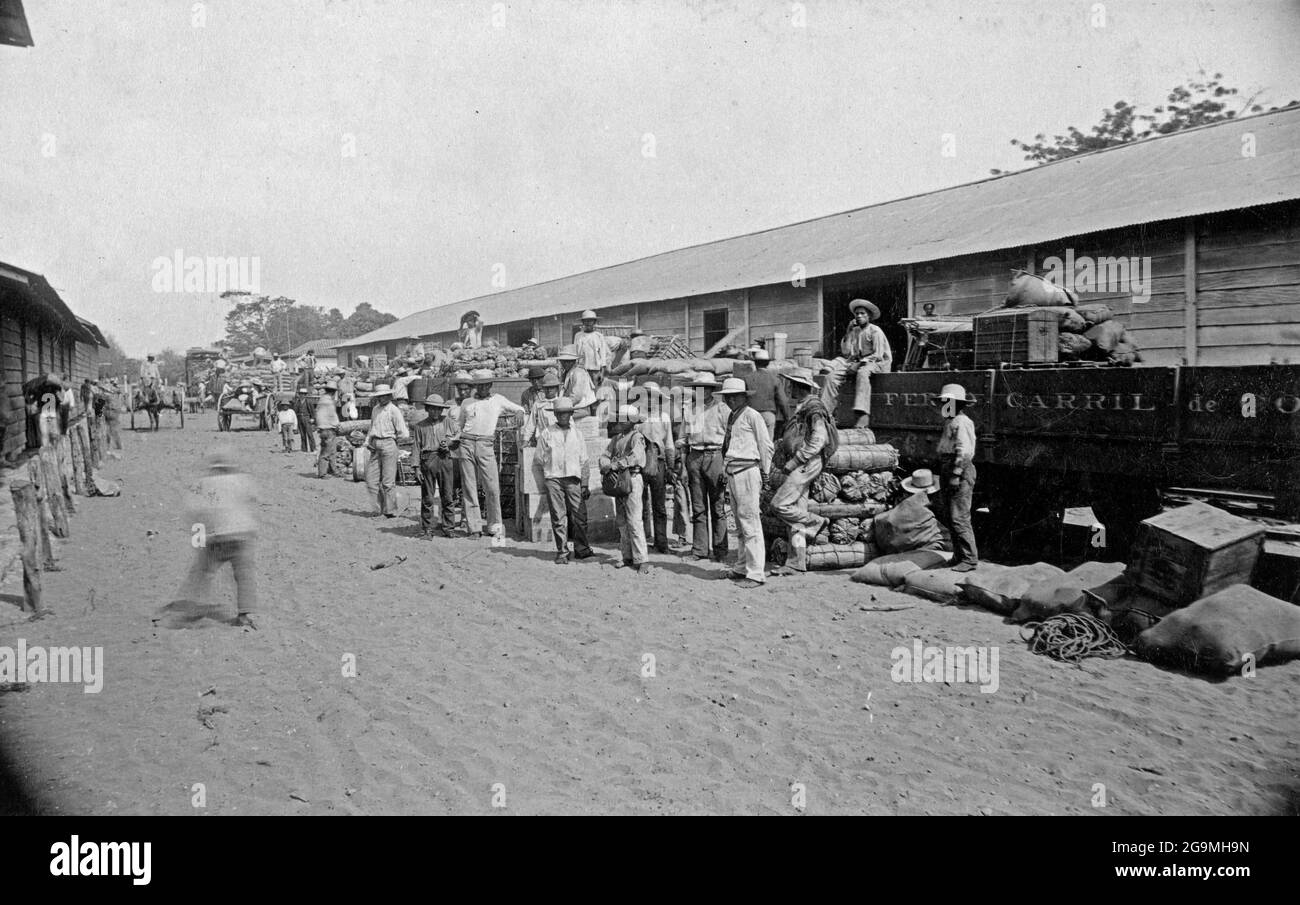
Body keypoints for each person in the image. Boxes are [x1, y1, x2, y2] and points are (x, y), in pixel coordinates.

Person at [171, 446, 258, 629]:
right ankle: (244, 614)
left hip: (216, 536)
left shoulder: (202, 484)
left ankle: (192, 609)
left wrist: (198, 542)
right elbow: (252, 500)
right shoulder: (241, 480)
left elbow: (194, 512)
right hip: (241, 534)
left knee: (201, 573)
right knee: (244, 577)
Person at [769, 367, 838, 573]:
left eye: (791, 384)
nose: (788, 387)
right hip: (804, 462)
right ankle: (796, 563)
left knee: (778, 504)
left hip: (807, 463)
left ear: (799, 386)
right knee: (797, 510)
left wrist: (797, 459)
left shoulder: (814, 408)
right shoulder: (804, 406)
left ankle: (817, 521)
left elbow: (819, 439)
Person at [716, 377, 773, 588]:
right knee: (740, 524)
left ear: (743, 396)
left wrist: (765, 472)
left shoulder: (752, 416)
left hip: (748, 470)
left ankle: (756, 573)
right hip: (733, 471)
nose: (730, 400)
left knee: (750, 522)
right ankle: (742, 567)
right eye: (727, 397)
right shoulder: (732, 417)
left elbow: (765, 445)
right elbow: (728, 447)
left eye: (734, 396)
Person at [456, 369, 525, 539]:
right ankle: (474, 528)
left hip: (486, 444)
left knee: (492, 488)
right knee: (470, 487)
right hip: (466, 443)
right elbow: (460, 425)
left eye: (486, 385)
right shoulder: (467, 402)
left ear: (490, 385)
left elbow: (519, 409)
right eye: (479, 385)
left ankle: (494, 527)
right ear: (475, 386)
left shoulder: (498, 400)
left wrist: (519, 414)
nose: (483, 388)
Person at [536, 397, 594, 564]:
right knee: (558, 516)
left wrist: (585, 483)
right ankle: (562, 552)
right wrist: (551, 473)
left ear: (570, 414)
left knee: (579, 515)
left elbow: (584, 460)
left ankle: (582, 549)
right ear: (555, 414)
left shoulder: (578, 434)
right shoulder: (547, 433)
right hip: (554, 479)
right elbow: (540, 458)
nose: (563, 416)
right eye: (560, 413)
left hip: (574, 479)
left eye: (566, 413)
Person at [821, 298, 893, 428]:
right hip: (858, 361)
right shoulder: (855, 331)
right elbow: (847, 353)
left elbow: (878, 354)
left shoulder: (875, 331)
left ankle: (863, 414)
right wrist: (848, 332)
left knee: (862, 372)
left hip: (878, 362)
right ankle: (824, 414)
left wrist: (859, 364)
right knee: (831, 377)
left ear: (869, 316)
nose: (859, 316)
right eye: (857, 314)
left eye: (862, 313)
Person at [681, 373, 729, 562]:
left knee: (718, 506)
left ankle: (720, 551)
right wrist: (684, 467)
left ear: (711, 390)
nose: (701, 391)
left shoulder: (722, 409)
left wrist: (725, 465)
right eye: (697, 388)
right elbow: (683, 440)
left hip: (715, 455)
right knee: (698, 507)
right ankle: (700, 549)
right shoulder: (689, 410)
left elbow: (729, 438)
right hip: (694, 456)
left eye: (705, 388)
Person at [934, 383, 979, 572]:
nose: (943, 407)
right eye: (943, 403)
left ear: (956, 405)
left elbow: (964, 451)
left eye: (947, 403)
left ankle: (969, 559)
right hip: (948, 467)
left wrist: (955, 474)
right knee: (950, 515)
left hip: (958, 469)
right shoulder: (951, 422)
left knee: (959, 517)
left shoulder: (962, 422)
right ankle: (958, 555)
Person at [599, 405, 649, 572]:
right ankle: (627, 555)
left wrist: (615, 465)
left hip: (633, 478)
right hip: (619, 480)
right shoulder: (617, 439)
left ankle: (642, 560)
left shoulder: (637, 437)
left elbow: (636, 457)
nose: (620, 421)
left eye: (624, 419)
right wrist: (606, 466)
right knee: (621, 521)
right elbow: (604, 455)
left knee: (635, 520)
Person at [636, 381, 674, 554]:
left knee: (659, 505)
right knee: (641, 503)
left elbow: (669, 444)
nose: (650, 400)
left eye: (654, 397)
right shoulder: (637, 417)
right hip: (640, 462)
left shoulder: (664, 417)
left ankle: (662, 542)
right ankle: (643, 540)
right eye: (647, 396)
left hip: (658, 462)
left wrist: (671, 467)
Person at [413, 394, 459, 538]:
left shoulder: (448, 422)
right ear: (427, 409)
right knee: (427, 497)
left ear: (442, 410)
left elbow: (459, 435)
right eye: (432, 409)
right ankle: (427, 529)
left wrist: (449, 443)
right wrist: (416, 467)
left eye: (438, 410)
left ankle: (449, 528)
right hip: (428, 460)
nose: (435, 412)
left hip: (445, 459)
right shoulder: (420, 426)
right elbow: (415, 447)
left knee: (448, 495)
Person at [364, 384, 409, 518]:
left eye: (384, 396)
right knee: (371, 480)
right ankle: (378, 509)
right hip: (375, 444)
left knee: (388, 481)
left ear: (389, 396)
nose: (381, 398)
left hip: (389, 443)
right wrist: (368, 441)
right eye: (379, 396)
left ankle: (390, 511)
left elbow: (403, 432)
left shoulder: (394, 410)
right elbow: (372, 427)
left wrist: (394, 441)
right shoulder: (375, 409)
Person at [744, 348, 782, 438]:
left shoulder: (747, 378)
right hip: (768, 414)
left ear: (755, 363)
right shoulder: (775, 379)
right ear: (768, 363)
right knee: (767, 443)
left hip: (751, 414)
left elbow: (743, 397)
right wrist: (787, 416)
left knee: (752, 442)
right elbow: (782, 400)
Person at [522, 372, 562, 446]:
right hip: (543, 440)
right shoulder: (538, 404)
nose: (549, 390)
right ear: (543, 389)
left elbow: (570, 423)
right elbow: (531, 423)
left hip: (559, 440)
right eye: (547, 388)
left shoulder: (561, 403)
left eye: (552, 387)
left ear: (556, 388)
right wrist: (525, 441)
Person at [557, 344, 597, 418]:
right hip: (573, 407)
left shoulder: (578, 372)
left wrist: (562, 406)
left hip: (582, 409)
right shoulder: (568, 373)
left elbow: (577, 397)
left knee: (557, 418)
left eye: (568, 361)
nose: (565, 364)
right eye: (563, 361)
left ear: (574, 361)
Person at [574, 310, 610, 386]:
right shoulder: (578, 336)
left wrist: (602, 373)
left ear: (594, 322)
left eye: (590, 321)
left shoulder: (599, 336)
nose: (588, 323)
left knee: (596, 391)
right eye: (585, 321)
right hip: (581, 369)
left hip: (595, 370)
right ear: (583, 322)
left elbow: (603, 355)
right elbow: (575, 353)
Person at [315, 382, 341, 477]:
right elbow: (332, 416)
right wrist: (337, 425)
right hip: (328, 429)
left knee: (332, 451)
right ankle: (322, 473)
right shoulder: (328, 402)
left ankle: (333, 470)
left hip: (325, 429)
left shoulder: (322, 400)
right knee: (326, 453)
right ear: (333, 392)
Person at [101, 379, 123, 457]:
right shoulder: (115, 392)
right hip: (114, 412)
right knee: (113, 430)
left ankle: (109, 447)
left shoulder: (108, 395)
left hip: (111, 413)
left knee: (110, 430)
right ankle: (118, 445)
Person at [294, 387, 316, 452]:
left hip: (307, 418)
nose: (302, 395)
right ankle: (304, 449)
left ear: (305, 395)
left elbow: (312, 411)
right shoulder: (297, 402)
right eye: (301, 394)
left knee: (310, 434)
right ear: (299, 394)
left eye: (303, 394)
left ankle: (313, 449)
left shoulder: (308, 402)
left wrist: (313, 418)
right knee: (302, 435)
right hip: (300, 419)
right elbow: (295, 411)